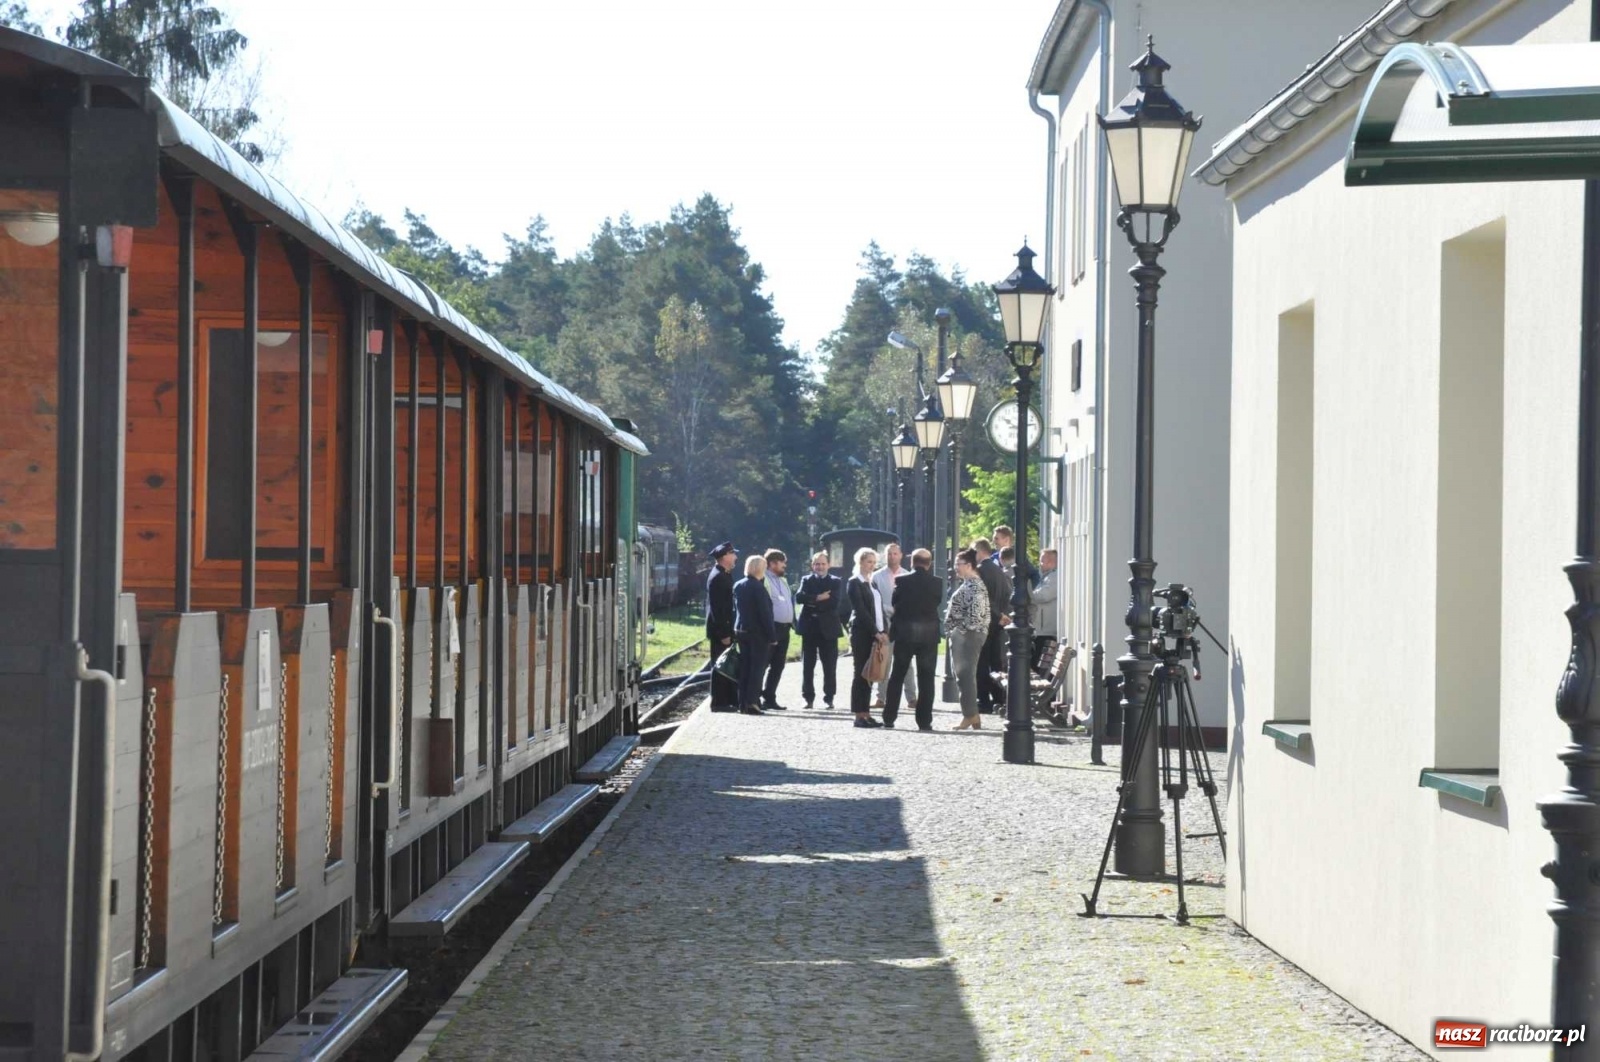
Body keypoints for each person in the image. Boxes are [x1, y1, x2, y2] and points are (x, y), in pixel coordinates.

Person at [884, 548, 942, 731]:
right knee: (926, 679)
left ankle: (889, 717)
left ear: (912, 562)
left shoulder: (901, 581)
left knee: (897, 675)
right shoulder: (937, 583)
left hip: (905, 634)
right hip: (928, 635)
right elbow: (936, 602)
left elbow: (895, 602)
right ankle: (924, 721)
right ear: (929, 564)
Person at [945, 548, 991, 730]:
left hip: (968, 637)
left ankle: (970, 715)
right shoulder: (969, 584)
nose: (955, 567)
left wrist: (958, 630)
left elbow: (975, 617)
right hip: (966, 636)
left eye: (959, 564)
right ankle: (973, 716)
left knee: (965, 676)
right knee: (964, 676)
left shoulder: (975, 586)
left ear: (969, 565)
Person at [795, 551, 844, 709]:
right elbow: (799, 598)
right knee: (807, 665)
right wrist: (818, 597)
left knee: (829, 665)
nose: (820, 567)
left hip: (829, 629)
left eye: (823, 564)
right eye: (817, 564)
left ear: (828, 565)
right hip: (809, 628)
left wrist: (811, 601)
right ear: (812, 565)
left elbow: (834, 603)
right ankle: (808, 697)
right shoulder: (806, 580)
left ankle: (829, 697)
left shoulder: (835, 581)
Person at [845, 547, 886, 728]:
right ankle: (858, 715)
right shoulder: (854, 582)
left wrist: (884, 630)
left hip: (875, 632)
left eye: (874, 562)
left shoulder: (872, 583)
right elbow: (861, 611)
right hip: (862, 633)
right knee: (860, 672)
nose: (872, 565)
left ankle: (866, 713)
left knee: (870, 674)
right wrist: (875, 632)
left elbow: (879, 609)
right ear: (860, 562)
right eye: (869, 561)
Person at [870, 542, 914, 709]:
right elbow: (874, 602)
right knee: (884, 661)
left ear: (901, 555)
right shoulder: (876, 576)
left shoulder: (908, 576)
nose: (892, 557)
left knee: (906, 663)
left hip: (903, 625)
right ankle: (881, 698)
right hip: (885, 625)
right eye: (889, 554)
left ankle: (912, 698)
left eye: (895, 553)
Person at [732, 554, 774, 716]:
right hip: (757, 634)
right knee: (757, 668)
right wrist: (772, 636)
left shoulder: (738, 585)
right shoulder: (758, 588)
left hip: (741, 630)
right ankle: (752, 703)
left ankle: (742, 702)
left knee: (745, 668)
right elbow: (765, 614)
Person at [972, 538, 1008, 714]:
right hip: (997, 624)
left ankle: (984, 701)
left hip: (986, 622)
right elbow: (1007, 593)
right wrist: (1002, 615)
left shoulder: (981, 570)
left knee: (981, 663)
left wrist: (997, 615)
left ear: (979, 551)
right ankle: (999, 697)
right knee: (995, 662)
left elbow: (983, 597)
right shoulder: (997, 569)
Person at [705, 543, 739, 711]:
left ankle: (730, 699)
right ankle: (719, 702)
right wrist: (724, 633)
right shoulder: (718, 577)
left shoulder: (724, 574)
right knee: (720, 665)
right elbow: (717, 609)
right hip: (721, 630)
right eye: (733, 554)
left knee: (727, 664)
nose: (736, 557)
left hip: (725, 628)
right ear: (725, 556)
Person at [761, 549, 794, 711]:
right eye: (782, 563)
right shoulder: (763, 579)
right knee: (763, 663)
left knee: (778, 665)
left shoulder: (783, 580)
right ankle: (755, 697)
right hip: (772, 627)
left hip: (785, 629)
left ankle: (770, 697)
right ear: (772, 563)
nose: (784, 566)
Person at [1031, 548, 1059, 672]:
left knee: (1039, 665)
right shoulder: (1046, 577)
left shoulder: (1054, 577)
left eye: (1042, 561)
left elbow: (1044, 596)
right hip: (1041, 629)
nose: (1040, 564)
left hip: (1046, 629)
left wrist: (1029, 595)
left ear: (1051, 562)